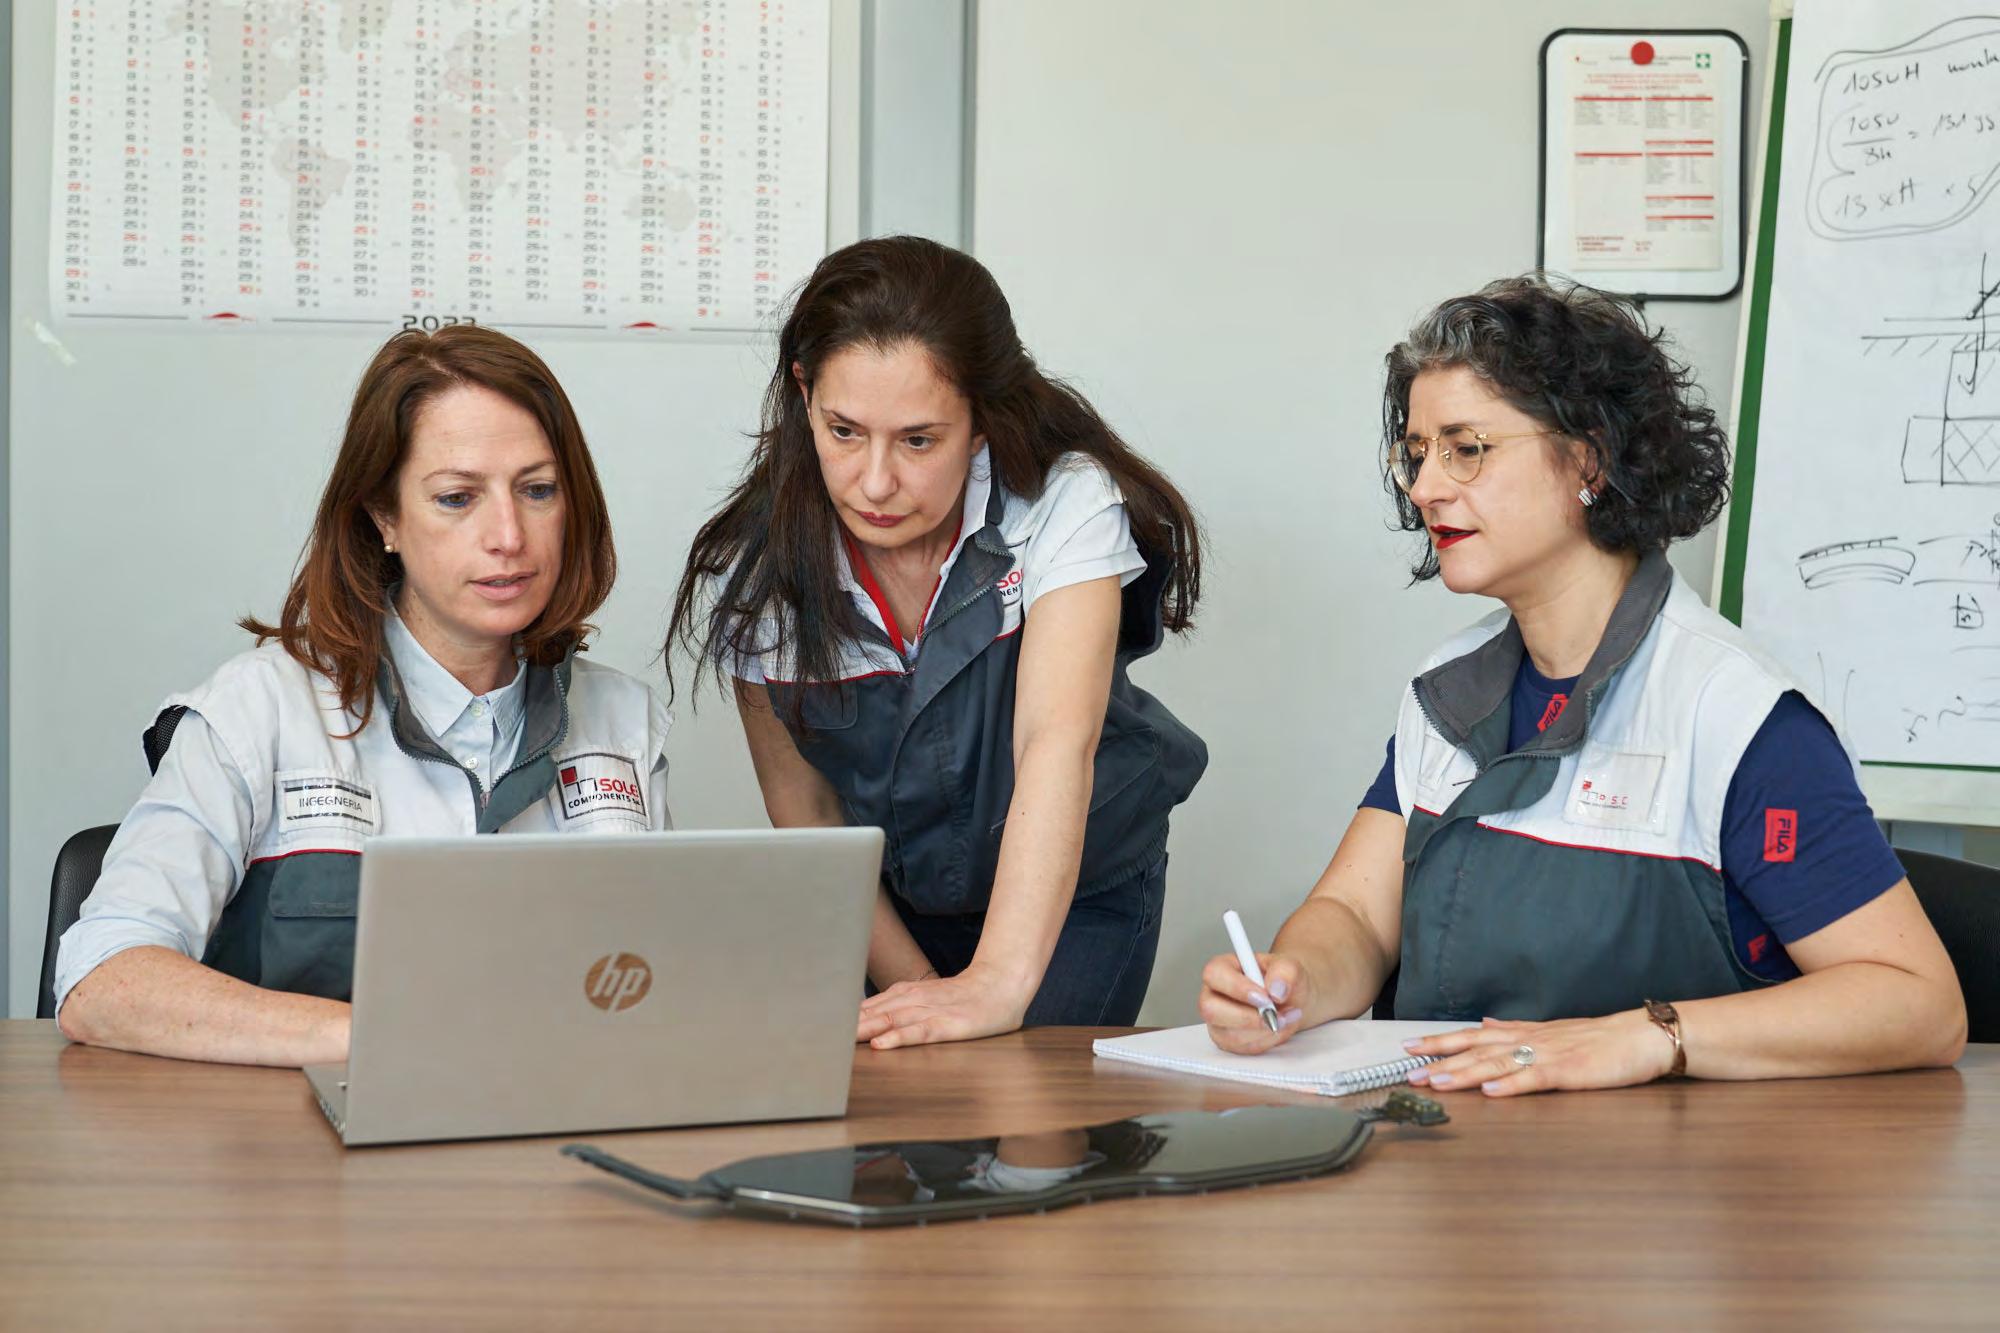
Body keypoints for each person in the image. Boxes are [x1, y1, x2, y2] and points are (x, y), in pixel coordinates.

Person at [1199, 277, 1966, 1094]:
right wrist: (1296, 982)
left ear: (1588, 461)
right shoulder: (1446, 690)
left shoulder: (1737, 715)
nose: (1425, 487)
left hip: (1670, 1163)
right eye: (1418, 453)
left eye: (1466, 448)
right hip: (1454, 1141)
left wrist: (1649, 1036)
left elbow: (1919, 1003)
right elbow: (1355, 915)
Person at [55, 325, 673, 1067]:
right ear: (385, 516)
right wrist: (382, 1041)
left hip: (551, 1126)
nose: (508, 535)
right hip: (292, 1134)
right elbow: (103, 978)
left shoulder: (624, 720)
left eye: (537, 490)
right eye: (457, 498)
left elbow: (657, 987)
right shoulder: (260, 709)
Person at [668, 235, 1207, 1048]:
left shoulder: (1062, 505)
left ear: (982, 420)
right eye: (844, 431)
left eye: (918, 440)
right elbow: (808, 811)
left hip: (1078, 890)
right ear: (805, 394)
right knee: (911, 1100)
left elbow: (1054, 744)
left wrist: (995, 982)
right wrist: (920, 990)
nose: (875, 482)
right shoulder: (760, 570)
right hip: (893, 906)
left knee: (1024, 1109)